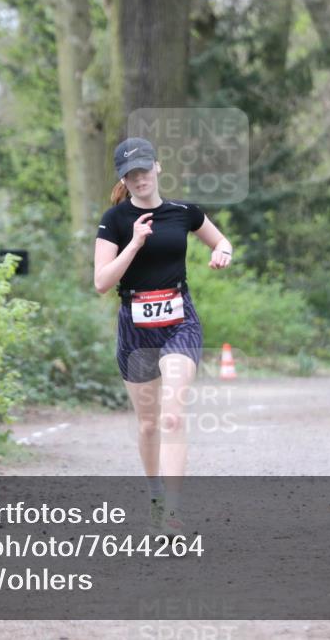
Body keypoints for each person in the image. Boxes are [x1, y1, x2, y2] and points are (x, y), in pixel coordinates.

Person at [93, 137, 232, 535]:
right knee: (149, 425)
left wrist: (223, 252)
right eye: (131, 175)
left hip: (179, 321)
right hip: (135, 328)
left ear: (157, 167)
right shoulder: (115, 220)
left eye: (144, 170)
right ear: (124, 179)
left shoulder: (184, 212)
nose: (140, 179)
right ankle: (156, 498)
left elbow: (222, 240)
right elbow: (101, 282)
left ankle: (171, 512)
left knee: (171, 417)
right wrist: (134, 244)